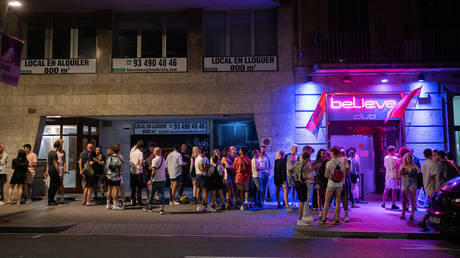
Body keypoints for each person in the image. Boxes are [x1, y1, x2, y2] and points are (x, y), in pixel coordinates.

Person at [319, 146, 346, 225]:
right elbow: (344, 174)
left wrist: (331, 176)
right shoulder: (340, 163)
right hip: (339, 184)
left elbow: (326, 175)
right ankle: (337, 218)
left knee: (327, 201)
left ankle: (324, 218)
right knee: (337, 201)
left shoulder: (329, 163)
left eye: (330, 153)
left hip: (331, 184)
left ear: (333, 153)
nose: (329, 154)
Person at [293, 152, 319, 226]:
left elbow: (290, 172)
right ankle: (300, 220)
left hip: (297, 183)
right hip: (302, 183)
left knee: (302, 202)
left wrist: (293, 180)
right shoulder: (304, 165)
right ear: (307, 158)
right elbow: (305, 174)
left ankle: (301, 218)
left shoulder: (296, 163)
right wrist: (309, 178)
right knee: (302, 202)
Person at [418, 149, 438, 230]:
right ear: (431, 154)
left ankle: (423, 221)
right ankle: (425, 221)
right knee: (432, 206)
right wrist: (435, 188)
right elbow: (433, 177)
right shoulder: (433, 164)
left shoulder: (424, 164)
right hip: (432, 188)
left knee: (431, 205)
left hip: (426, 187)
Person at [144, 147, 166, 215]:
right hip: (162, 179)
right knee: (161, 194)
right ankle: (162, 209)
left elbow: (154, 171)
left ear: (155, 152)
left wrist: (151, 179)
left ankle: (150, 207)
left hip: (155, 179)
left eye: (154, 151)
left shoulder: (154, 160)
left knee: (152, 194)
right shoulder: (163, 159)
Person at [400, 153, 420, 220]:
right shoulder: (402, 166)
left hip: (412, 182)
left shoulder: (414, 165)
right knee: (404, 199)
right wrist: (401, 170)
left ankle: (412, 214)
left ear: (411, 159)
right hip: (405, 182)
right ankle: (403, 213)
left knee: (412, 199)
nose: (408, 159)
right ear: (405, 159)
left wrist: (416, 174)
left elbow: (421, 171)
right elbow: (399, 174)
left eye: (409, 157)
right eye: (407, 157)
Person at [105, 146, 124, 210]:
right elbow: (121, 168)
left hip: (109, 176)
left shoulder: (109, 158)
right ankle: (115, 205)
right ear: (118, 151)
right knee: (115, 190)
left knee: (109, 190)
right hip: (116, 176)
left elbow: (106, 167)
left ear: (113, 151)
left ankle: (108, 205)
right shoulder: (119, 158)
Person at [45, 141, 62, 206]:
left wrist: (47, 170)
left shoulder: (50, 152)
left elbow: (48, 162)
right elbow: (55, 163)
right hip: (53, 170)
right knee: (56, 184)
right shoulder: (54, 153)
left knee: (52, 185)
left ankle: (51, 200)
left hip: (50, 170)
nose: (61, 147)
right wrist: (59, 172)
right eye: (60, 145)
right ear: (58, 146)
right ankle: (51, 200)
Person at [312, 149, 328, 219]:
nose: (324, 155)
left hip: (325, 180)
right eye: (322, 153)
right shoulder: (316, 162)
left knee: (325, 196)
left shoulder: (327, 161)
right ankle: (320, 212)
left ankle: (324, 212)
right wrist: (316, 167)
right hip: (318, 179)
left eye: (325, 153)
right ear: (319, 154)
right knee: (319, 196)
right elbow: (310, 168)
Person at [337, 149, 351, 223]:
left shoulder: (344, 159)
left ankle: (346, 215)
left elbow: (348, 169)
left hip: (342, 182)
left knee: (344, 198)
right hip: (334, 182)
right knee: (337, 200)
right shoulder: (333, 159)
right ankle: (337, 215)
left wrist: (343, 173)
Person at [129, 140, 144, 206]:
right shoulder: (140, 153)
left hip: (132, 171)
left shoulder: (132, 153)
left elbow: (130, 162)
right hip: (138, 171)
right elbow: (141, 162)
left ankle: (133, 201)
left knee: (133, 187)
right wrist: (144, 163)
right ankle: (139, 201)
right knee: (139, 187)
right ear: (142, 147)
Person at [195, 147, 210, 212]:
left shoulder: (197, 158)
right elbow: (202, 169)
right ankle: (206, 206)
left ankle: (198, 206)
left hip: (197, 175)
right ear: (203, 152)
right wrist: (207, 168)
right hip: (201, 176)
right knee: (205, 191)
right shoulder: (201, 159)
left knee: (198, 191)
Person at [285, 146, 299, 210]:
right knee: (289, 188)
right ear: (292, 149)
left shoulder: (296, 156)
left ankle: (293, 201)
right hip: (288, 174)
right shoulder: (287, 155)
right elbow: (285, 165)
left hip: (295, 174)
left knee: (294, 188)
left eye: (297, 149)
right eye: (296, 149)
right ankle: (286, 202)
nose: (297, 150)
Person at [56, 139, 67, 203]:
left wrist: (65, 169)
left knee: (61, 183)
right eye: (60, 144)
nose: (61, 145)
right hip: (55, 168)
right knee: (55, 182)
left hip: (61, 168)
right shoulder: (54, 151)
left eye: (62, 144)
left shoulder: (63, 152)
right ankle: (55, 196)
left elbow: (64, 161)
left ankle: (62, 197)